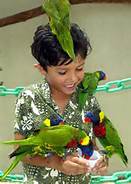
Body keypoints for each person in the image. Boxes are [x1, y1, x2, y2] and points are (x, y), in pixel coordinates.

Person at [14, 23, 108, 184]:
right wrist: (56, 163)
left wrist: (100, 160)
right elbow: (19, 151)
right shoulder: (29, 98)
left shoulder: (88, 99)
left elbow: (91, 146)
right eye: (63, 72)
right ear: (42, 69)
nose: (73, 78)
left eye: (79, 68)